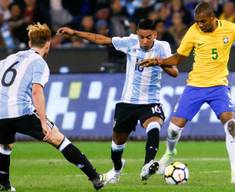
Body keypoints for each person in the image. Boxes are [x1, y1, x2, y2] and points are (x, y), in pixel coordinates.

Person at [140, 2, 235, 185]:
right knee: (172, 130)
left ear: (212, 18)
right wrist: (158, 61)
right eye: (197, 22)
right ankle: (170, 153)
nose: (199, 25)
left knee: (231, 125)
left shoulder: (231, 29)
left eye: (203, 21)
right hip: (194, 86)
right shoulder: (193, 32)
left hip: (219, 86)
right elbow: (178, 58)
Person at [57, 19, 179, 183]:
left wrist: (158, 61)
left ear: (155, 35)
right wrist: (75, 33)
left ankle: (147, 164)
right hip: (127, 102)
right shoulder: (129, 43)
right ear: (137, 34)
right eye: (141, 37)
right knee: (116, 147)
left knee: (154, 124)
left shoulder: (162, 47)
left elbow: (175, 72)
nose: (144, 41)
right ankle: (117, 168)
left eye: (148, 37)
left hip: (150, 102)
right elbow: (101, 39)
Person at [0, 23, 104, 191]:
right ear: (48, 44)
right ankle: (95, 177)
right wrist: (43, 121)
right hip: (21, 111)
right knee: (58, 139)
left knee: (5, 145)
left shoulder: (9, 59)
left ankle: (4, 184)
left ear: (29, 43)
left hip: (1, 113)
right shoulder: (39, 62)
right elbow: (36, 92)